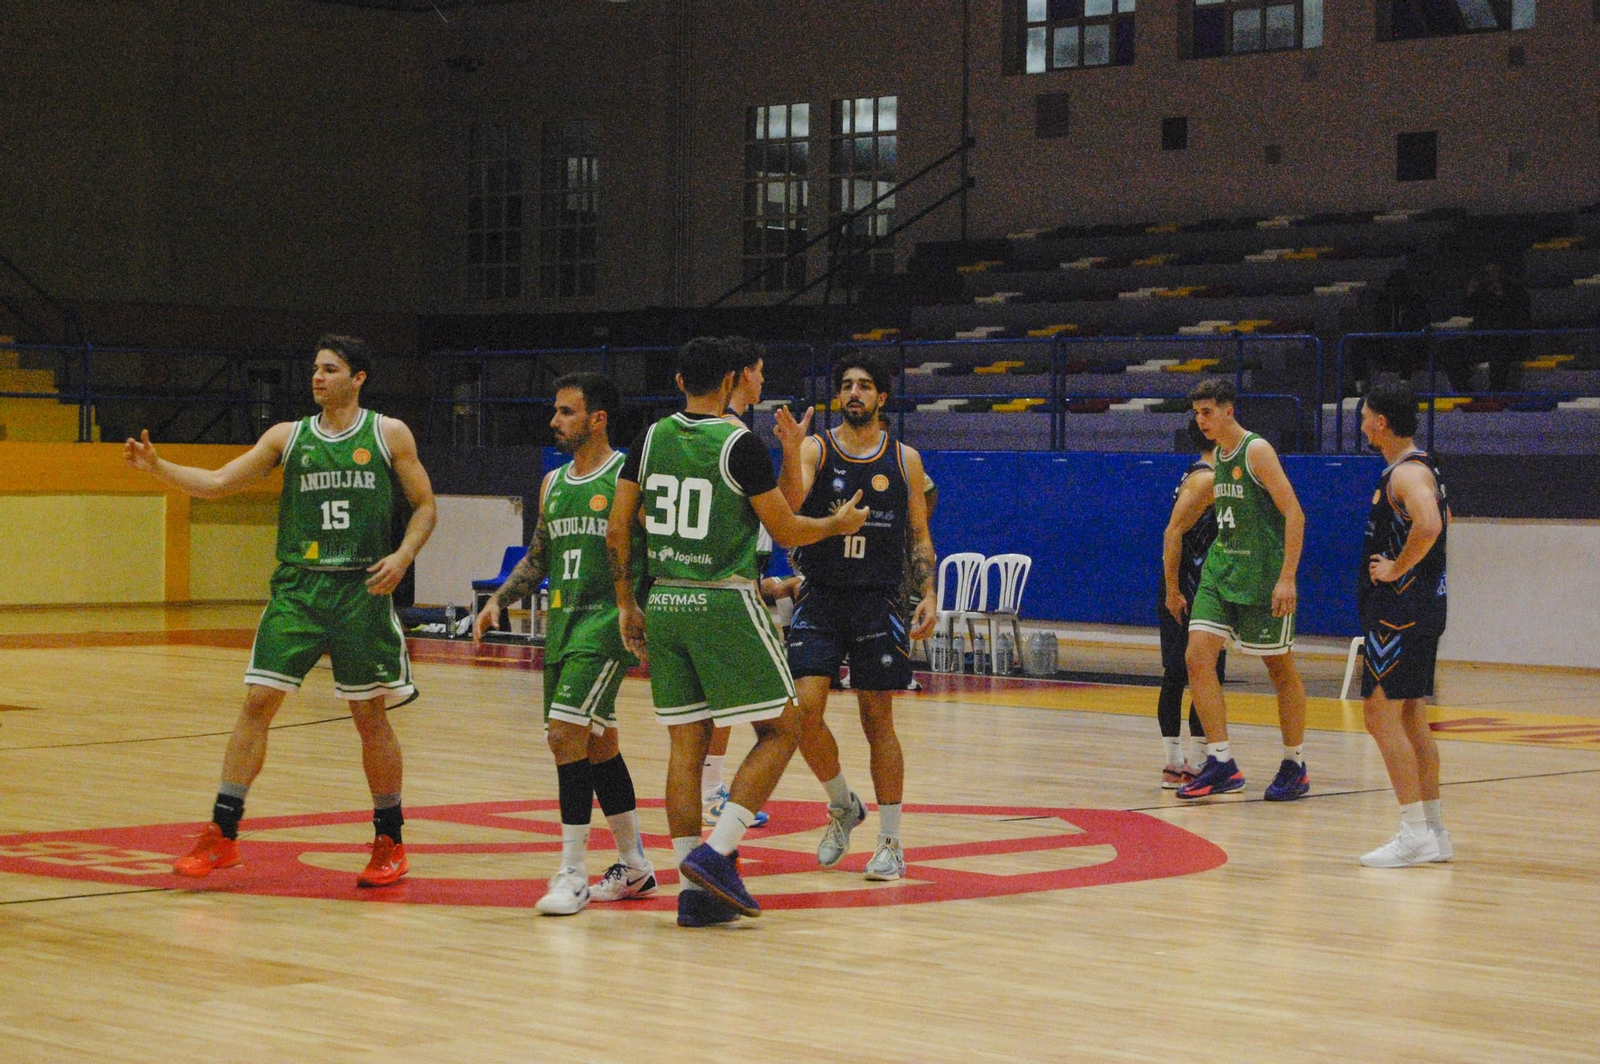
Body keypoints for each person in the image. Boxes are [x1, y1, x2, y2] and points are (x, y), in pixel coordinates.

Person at [125, 335, 437, 886]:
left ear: (358, 377)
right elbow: (219, 483)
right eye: (314, 369)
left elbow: (425, 506)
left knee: (370, 717)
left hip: (360, 588)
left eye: (330, 369)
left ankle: (390, 838)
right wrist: (159, 468)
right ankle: (223, 833)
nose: (317, 377)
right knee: (258, 700)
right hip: (299, 587)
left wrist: (404, 554)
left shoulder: (388, 433)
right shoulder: (287, 437)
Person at [607, 337, 868, 927]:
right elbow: (787, 532)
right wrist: (840, 523)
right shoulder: (737, 443)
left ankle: (692, 892)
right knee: (786, 725)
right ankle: (717, 852)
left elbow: (618, 529)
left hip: (665, 598)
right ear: (730, 381)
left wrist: (627, 601)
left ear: (679, 381)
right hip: (721, 599)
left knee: (685, 746)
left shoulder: (648, 438)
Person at [471, 372, 655, 915]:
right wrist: (499, 599)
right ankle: (636, 866)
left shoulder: (627, 476)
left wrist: (648, 612)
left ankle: (572, 873)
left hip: (608, 625)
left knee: (563, 735)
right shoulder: (553, 483)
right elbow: (539, 555)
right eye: (556, 411)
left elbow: (660, 544)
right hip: (564, 625)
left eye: (567, 412)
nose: (554, 421)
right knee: (598, 744)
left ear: (597, 419)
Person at [772, 355, 938, 879]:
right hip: (821, 593)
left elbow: (918, 535)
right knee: (802, 712)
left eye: (865, 386)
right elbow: (791, 507)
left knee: (877, 719)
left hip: (878, 597)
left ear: (882, 399)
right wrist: (788, 450)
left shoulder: (905, 458)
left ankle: (891, 841)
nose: (854, 393)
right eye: (846, 386)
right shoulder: (817, 448)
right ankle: (843, 803)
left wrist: (928, 590)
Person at [1175, 378, 1310, 803]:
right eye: (1197, 413)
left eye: (1208, 412)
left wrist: (1287, 577)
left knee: (1279, 669)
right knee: (1197, 655)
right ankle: (1221, 761)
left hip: (1263, 576)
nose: (1202, 420)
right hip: (1222, 568)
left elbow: (1295, 513)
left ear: (1229, 410)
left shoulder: (1257, 451)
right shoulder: (1215, 456)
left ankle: (1295, 763)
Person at [1356, 379, 1453, 867]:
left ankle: (1413, 832)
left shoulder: (1405, 476)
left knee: (1379, 715)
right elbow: (1444, 518)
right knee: (1412, 716)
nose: (1360, 422)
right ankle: (1434, 831)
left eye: (1365, 414)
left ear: (1382, 422)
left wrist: (1397, 568)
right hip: (1421, 611)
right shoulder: (1423, 468)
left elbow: (1431, 525)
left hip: (1399, 614)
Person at [701, 337, 775, 829]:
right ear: (743, 374)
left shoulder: (722, 430)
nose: (764, 379)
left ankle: (709, 791)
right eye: (760, 370)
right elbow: (783, 515)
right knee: (778, 720)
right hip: (721, 588)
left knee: (716, 707)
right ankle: (710, 796)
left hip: (722, 579)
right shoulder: (731, 436)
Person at [1158, 418, 1219, 788]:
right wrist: (1172, 590)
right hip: (1188, 587)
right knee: (1190, 673)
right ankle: (1184, 762)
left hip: (1199, 584)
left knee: (1191, 674)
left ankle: (1190, 760)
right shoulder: (1205, 479)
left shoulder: (1202, 473)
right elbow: (1172, 534)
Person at [1448, 261, 1532, 393]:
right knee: (1451, 349)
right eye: (1487, 268)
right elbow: (1467, 313)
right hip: (1481, 340)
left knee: (1499, 349)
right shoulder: (1481, 292)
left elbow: (1521, 317)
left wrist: (1501, 296)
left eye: (1494, 267)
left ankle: (1496, 393)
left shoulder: (1515, 291)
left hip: (1507, 339)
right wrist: (1469, 296)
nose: (1490, 271)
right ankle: (1464, 391)